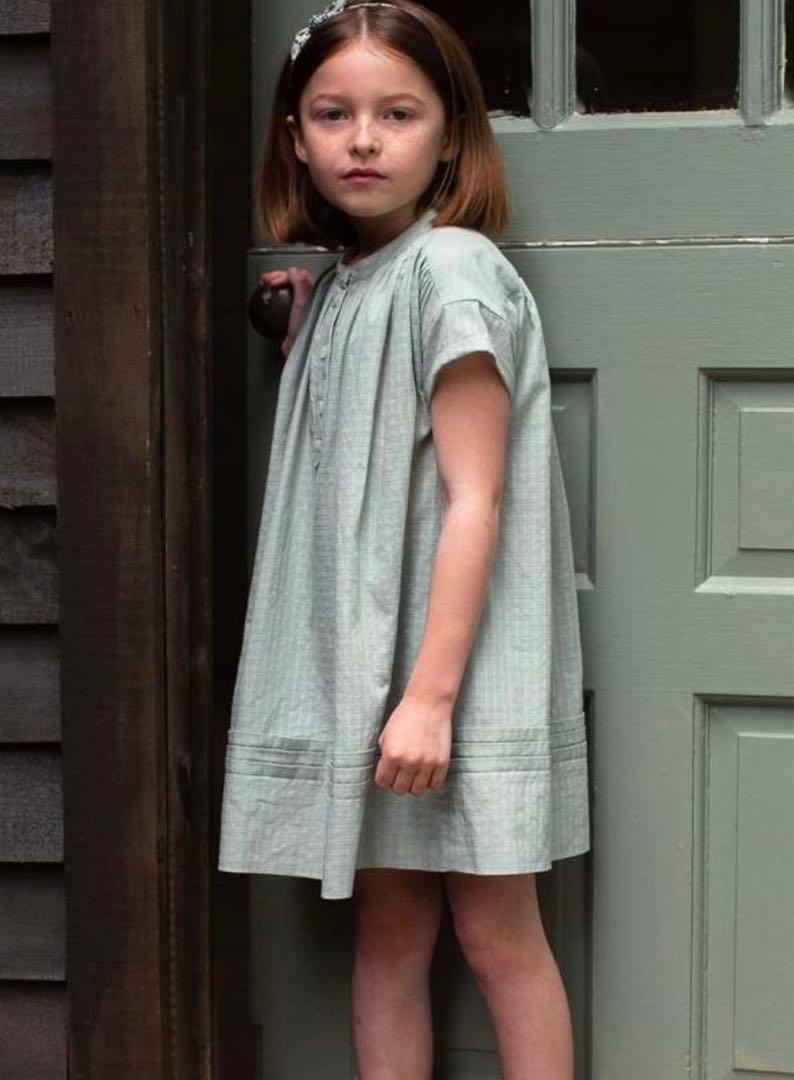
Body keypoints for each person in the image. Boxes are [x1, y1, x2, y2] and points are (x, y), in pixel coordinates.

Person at [215, 2, 590, 1076]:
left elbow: (475, 499)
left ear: (450, 134)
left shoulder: (453, 270)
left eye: (398, 113)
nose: (364, 140)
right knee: (387, 929)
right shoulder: (351, 284)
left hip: (449, 678)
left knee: (495, 932)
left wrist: (426, 701)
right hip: (371, 677)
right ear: (296, 137)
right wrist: (306, 320)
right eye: (333, 114)